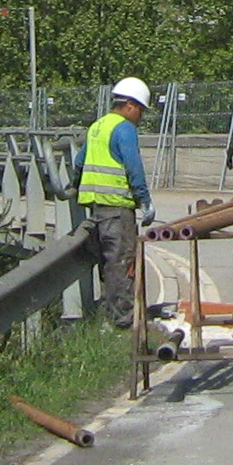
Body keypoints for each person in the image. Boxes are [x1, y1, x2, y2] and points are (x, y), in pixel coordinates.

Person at [79, 76, 156, 325]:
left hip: (97, 208)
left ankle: (110, 313)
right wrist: (144, 200)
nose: (140, 117)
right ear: (130, 105)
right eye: (140, 110)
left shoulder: (97, 126)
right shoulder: (124, 129)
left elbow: (79, 162)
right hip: (118, 207)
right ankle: (123, 319)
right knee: (122, 262)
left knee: (108, 263)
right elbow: (133, 167)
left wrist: (72, 186)